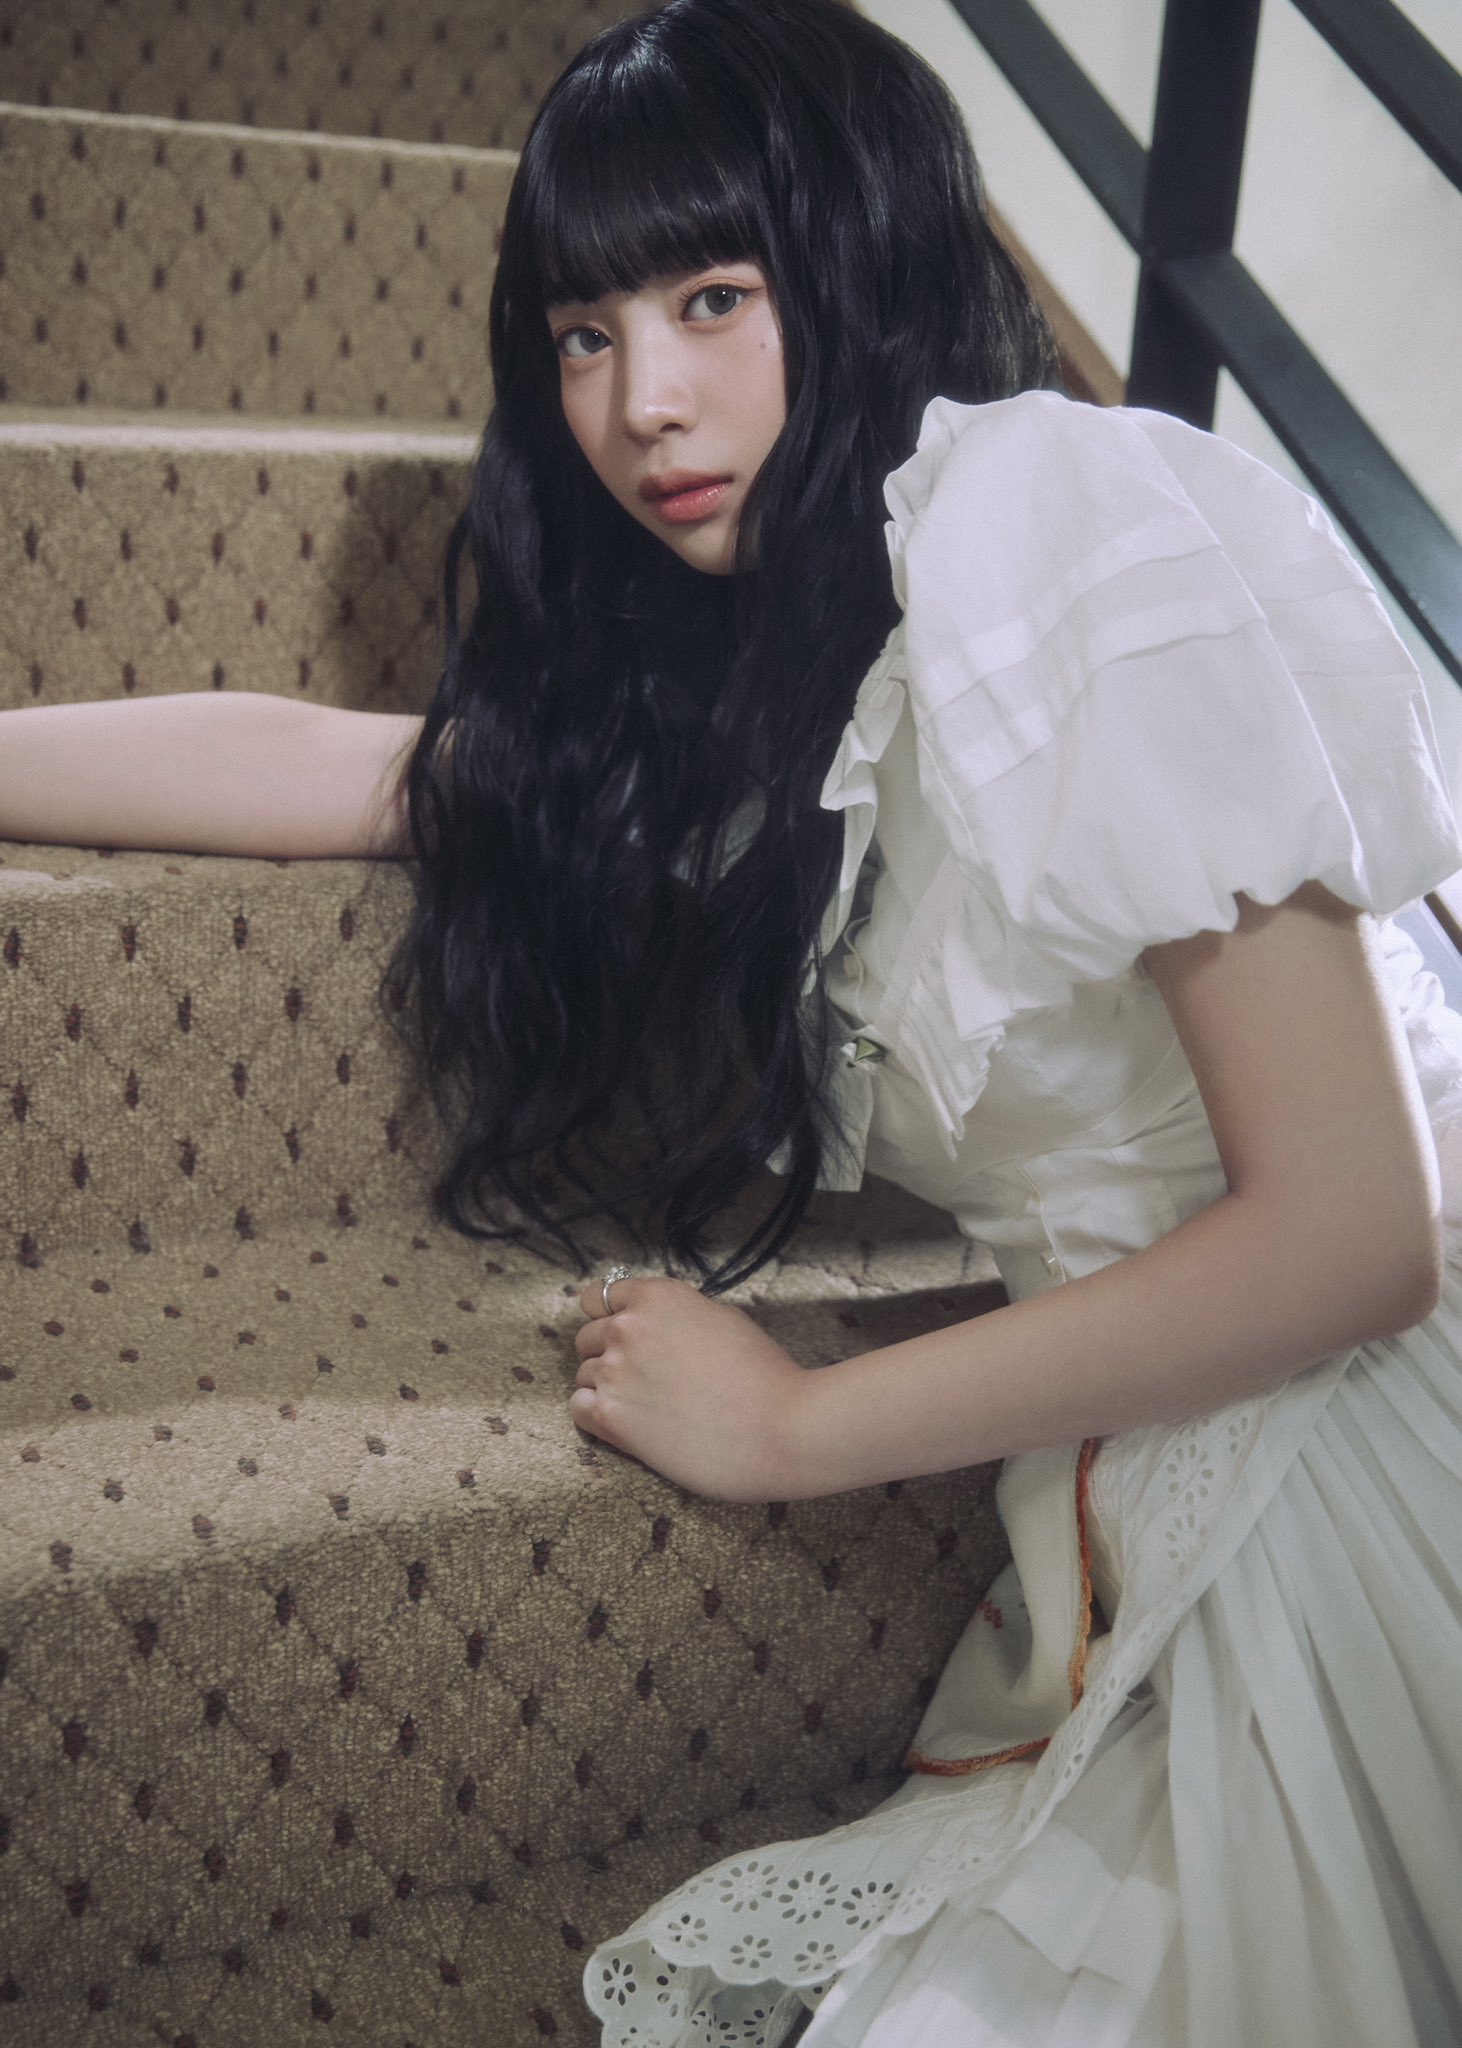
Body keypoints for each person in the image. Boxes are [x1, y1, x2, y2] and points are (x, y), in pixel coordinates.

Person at [2, 0, 1459, 2041]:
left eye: (711, 299)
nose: (641, 406)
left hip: (1364, 1430)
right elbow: (353, 766)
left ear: (855, 263)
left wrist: (795, 1426)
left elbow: (1358, 1236)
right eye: (580, 334)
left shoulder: (1057, 514)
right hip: (1155, 1461)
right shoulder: (749, 677)